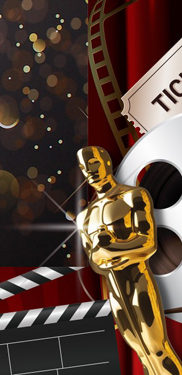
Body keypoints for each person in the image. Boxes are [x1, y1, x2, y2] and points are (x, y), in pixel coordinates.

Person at [76, 145, 182, 373]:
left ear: (106, 163)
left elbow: (147, 243)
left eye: (93, 163)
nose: (89, 171)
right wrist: (111, 252)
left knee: (157, 349)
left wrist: (110, 248)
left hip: (138, 281)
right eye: (84, 167)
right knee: (142, 354)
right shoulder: (84, 218)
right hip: (115, 291)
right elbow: (94, 261)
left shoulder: (133, 196)